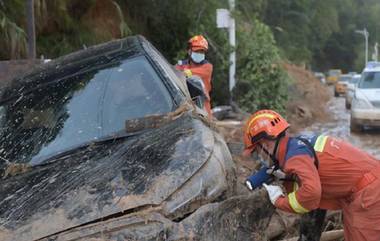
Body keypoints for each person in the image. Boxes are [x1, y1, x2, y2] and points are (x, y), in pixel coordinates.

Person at [243, 109, 380, 241]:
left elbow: (311, 193)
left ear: (265, 144)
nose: (259, 157)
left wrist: (278, 200)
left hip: (369, 195)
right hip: (363, 188)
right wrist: (288, 178)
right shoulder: (297, 145)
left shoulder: (295, 157)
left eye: (257, 151)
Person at [176, 35, 213, 119]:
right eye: (197, 51)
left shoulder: (207, 67)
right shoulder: (181, 65)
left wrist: (183, 72)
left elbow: (188, 73)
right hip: (184, 109)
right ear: (189, 51)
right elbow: (173, 72)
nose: (200, 54)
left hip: (203, 110)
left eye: (202, 52)